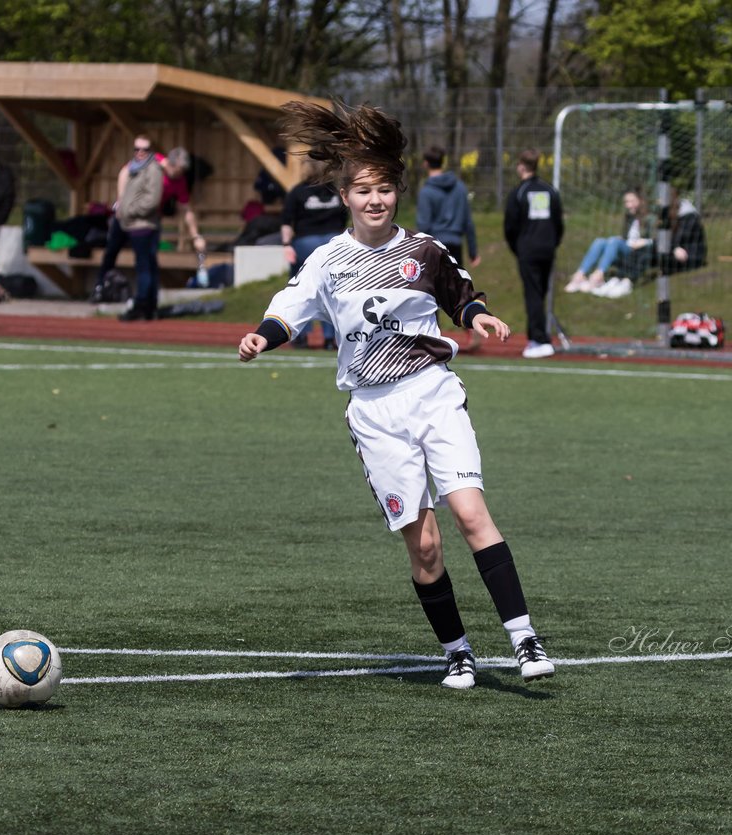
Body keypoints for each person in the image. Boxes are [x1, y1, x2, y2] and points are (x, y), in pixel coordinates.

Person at [238, 100, 556, 691]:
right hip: (375, 413)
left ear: (397, 192)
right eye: (363, 190)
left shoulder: (424, 250)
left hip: (432, 393)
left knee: (469, 512)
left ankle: (524, 637)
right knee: (426, 544)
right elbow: (288, 310)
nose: (374, 199)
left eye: (383, 188)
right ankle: (458, 651)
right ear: (345, 197)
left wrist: (477, 317)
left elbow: (460, 292)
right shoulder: (328, 261)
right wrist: (263, 335)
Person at [99, 137, 207, 321]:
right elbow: (126, 170)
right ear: (172, 164)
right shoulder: (155, 162)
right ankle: (101, 287)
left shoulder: (179, 181)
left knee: (148, 263)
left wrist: (195, 235)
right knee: (113, 251)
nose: (180, 174)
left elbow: (186, 209)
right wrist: (121, 202)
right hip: (129, 215)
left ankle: (147, 305)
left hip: (147, 221)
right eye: (179, 169)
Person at [416, 145, 483, 351]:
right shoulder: (460, 187)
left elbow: (424, 224)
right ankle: (473, 330)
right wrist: (473, 250)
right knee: (458, 287)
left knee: (429, 289)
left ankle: (433, 335)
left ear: (426, 163)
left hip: (434, 244)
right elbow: (467, 221)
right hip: (455, 242)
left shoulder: (427, 191)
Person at [503, 149, 564, 359]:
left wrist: (518, 248)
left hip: (528, 250)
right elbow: (559, 223)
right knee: (540, 293)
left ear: (521, 166)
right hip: (547, 249)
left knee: (533, 294)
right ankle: (538, 336)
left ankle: (539, 339)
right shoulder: (550, 190)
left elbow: (510, 226)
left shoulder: (519, 192)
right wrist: (552, 243)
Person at [281, 156, 346, 350]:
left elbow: (287, 222)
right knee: (333, 289)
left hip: (305, 242)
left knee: (301, 287)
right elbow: (345, 221)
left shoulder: (298, 192)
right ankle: (330, 338)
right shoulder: (336, 192)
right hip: (333, 242)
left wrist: (286, 245)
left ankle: (301, 335)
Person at [566, 188, 652, 298]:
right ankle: (580, 275)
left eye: (632, 201)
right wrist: (620, 238)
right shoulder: (629, 216)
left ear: (640, 200)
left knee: (614, 241)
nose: (628, 205)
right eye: (626, 202)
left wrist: (642, 242)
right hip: (626, 245)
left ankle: (598, 276)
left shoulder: (650, 217)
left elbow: (656, 239)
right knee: (600, 241)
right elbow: (626, 236)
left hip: (637, 250)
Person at [667, 186, 708, 273]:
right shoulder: (668, 214)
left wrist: (672, 247)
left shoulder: (689, 216)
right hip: (676, 250)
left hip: (691, 256)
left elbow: (680, 238)